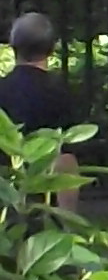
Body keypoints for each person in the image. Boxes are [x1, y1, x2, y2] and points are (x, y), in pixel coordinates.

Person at [0, 13, 80, 208]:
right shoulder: (60, 95)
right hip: (43, 205)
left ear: (13, 47)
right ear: (51, 49)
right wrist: (68, 219)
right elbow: (65, 161)